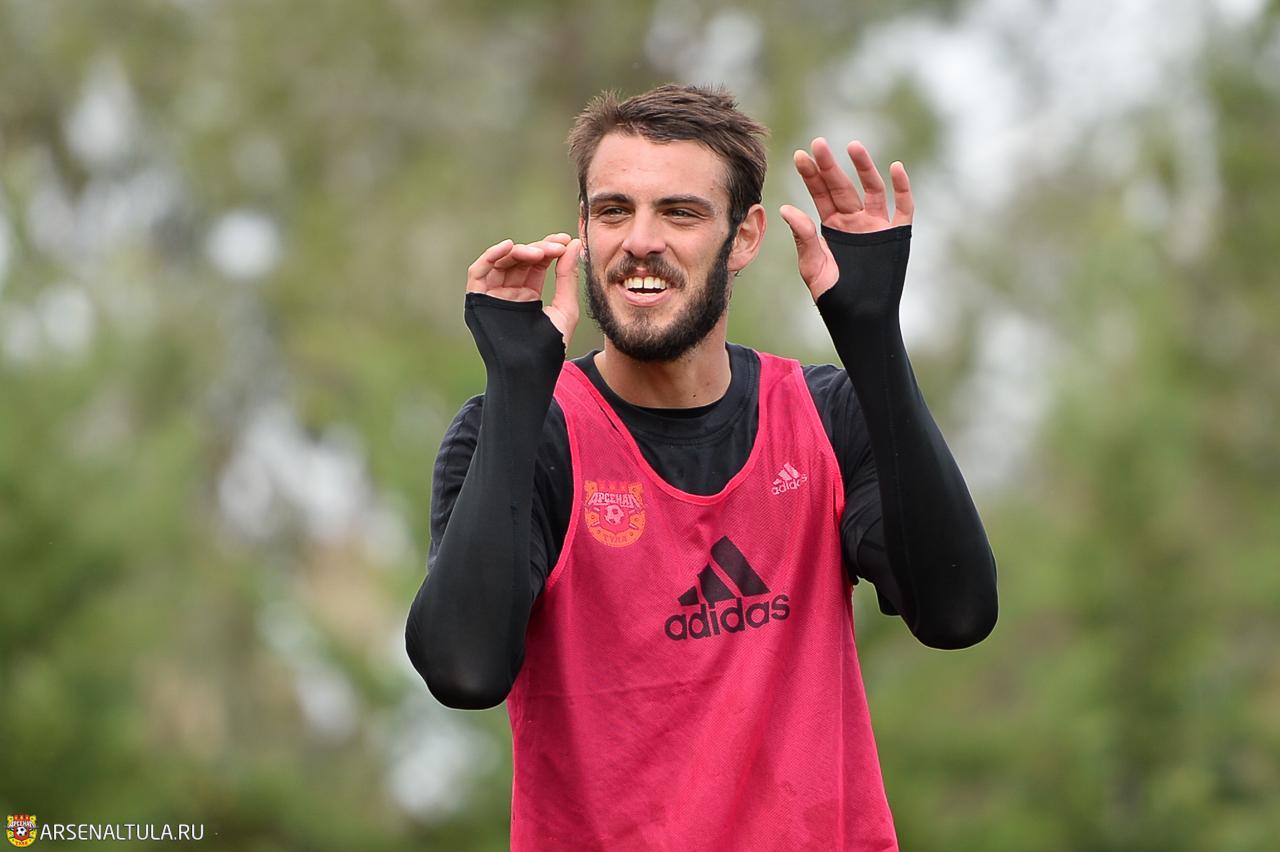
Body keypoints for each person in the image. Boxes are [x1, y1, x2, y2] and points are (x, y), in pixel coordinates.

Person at [406, 84, 997, 850]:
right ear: (582, 229)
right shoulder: (523, 431)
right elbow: (464, 670)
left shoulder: (827, 415)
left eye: (679, 213)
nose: (640, 240)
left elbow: (956, 614)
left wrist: (874, 338)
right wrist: (518, 385)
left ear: (744, 237)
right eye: (613, 211)